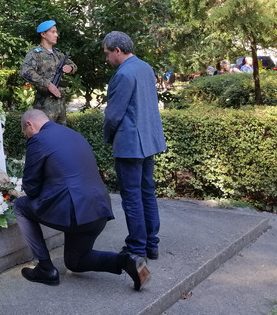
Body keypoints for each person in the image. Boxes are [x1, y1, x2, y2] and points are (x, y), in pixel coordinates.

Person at [14, 110, 150, 290]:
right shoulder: (73, 134)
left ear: (29, 124)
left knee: (20, 206)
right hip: (99, 210)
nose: (27, 137)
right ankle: (126, 261)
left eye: (26, 134)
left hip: (73, 211)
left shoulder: (38, 140)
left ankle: (45, 268)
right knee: (75, 261)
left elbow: (31, 188)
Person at [102, 31, 167, 268]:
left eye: (108, 53)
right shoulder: (145, 67)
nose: (107, 58)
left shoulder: (123, 74)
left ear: (117, 51)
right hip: (148, 141)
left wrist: (107, 138)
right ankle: (152, 244)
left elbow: (114, 115)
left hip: (130, 145)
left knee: (131, 198)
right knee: (147, 192)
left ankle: (136, 247)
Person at [19, 20, 76, 125]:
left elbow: (74, 66)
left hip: (60, 104)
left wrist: (70, 68)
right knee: (44, 135)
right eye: (53, 32)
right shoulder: (35, 54)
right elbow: (25, 71)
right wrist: (48, 84)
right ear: (43, 34)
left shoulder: (58, 53)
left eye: (56, 32)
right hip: (44, 105)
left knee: (61, 135)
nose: (56, 35)